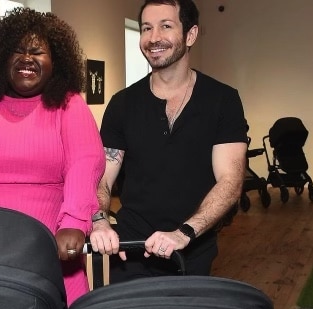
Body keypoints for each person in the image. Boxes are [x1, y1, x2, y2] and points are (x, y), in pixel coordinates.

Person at [0, 7, 105, 305]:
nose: (27, 58)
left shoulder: (70, 104)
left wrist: (76, 221)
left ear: (56, 61)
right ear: (2, 57)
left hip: (52, 243)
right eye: (17, 50)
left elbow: (86, 161)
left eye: (38, 51)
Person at [89, 0, 247, 280]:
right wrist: (100, 221)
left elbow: (230, 182)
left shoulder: (223, 100)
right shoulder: (121, 104)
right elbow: (101, 177)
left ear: (191, 34)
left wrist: (184, 233)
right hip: (130, 249)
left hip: (192, 247)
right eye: (146, 28)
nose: (153, 38)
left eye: (166, 26)